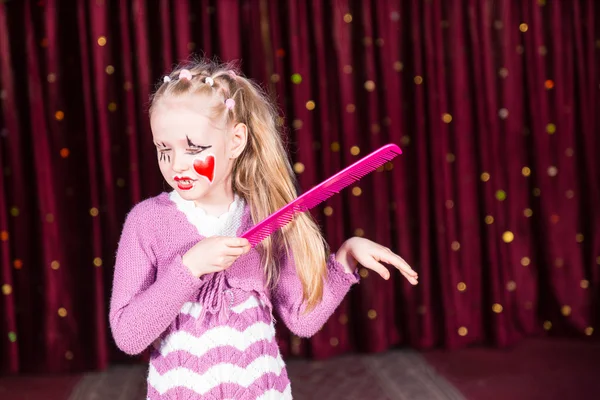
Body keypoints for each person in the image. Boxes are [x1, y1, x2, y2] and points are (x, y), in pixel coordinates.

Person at [109, 58, 418, 400]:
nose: (176, 164)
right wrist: (188, 268)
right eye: (163, 150)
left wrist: (345, 260)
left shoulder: (266, 219)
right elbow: (128, 336)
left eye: (194, 148)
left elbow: (303, 320)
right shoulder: (146, 222)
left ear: (236, 140)